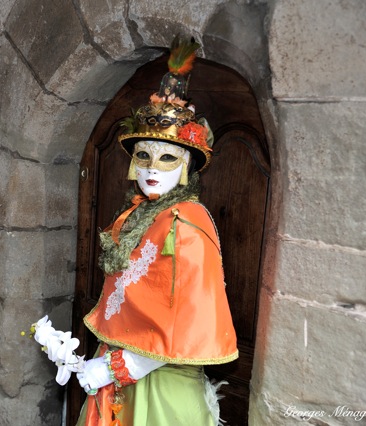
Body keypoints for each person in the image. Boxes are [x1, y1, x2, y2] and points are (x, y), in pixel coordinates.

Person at [75, 40, 238, 426]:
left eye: (166, 158)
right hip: (120, 372)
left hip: (159, 382)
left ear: (186, 166)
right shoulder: (138, 214)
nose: (151, 168)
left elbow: (185, 321)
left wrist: (116, 368)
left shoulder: (186, 225)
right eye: (143, 156)